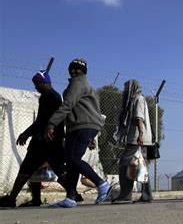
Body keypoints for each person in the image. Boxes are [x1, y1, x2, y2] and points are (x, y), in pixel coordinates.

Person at [0, 71, 81, 207]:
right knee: (57, 170)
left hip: (43, 141)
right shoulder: (53, 96)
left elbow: (42, 121)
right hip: (53, 141)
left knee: (26, 169)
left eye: (37, 84)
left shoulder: (49, 97)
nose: (36, 87)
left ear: (44, 83)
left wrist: (26, 133)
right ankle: (73, 194)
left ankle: (11, 199)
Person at [44, 59, 109, 207]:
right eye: (71, 69)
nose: (73, 71)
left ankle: (101, 183)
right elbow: (93, 109)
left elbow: (67, 105)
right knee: (72, 161)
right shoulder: (86, 85)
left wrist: (51, 123)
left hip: (82, 125)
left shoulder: (78, 83)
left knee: (72, 158)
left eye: (77, 69)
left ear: (83, 71)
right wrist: (92, 135)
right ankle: (70, 198)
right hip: (83, 126)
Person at [113, 80, 154, 204]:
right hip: (138, 138)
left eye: (126, 88)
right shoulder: (134, 100)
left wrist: (140, 134)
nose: (124, 91)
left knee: (125, 164)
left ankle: (125, 195)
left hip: (137, 138)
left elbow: (138, 118)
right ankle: (147, 195)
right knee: (141, 166)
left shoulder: (138, 99)